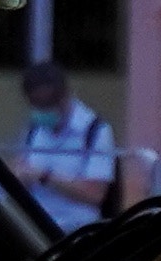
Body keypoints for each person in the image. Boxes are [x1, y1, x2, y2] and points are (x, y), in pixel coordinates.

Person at [11, 57, 122, 223]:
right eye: (36, 105)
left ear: (64, 99)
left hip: (77, 228)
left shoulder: (95, 131)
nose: (42, 111)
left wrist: (46, 177)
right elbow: (20, 166)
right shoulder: (34, 129)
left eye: (47, 105)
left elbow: (96, 194)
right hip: (36, 224)